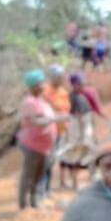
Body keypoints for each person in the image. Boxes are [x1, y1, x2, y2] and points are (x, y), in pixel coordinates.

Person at [17, 70, 66, 209]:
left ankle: (34, 201)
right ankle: (23, 204)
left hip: (43, 147)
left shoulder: (40, 101)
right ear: (33, 87)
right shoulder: (29, 102)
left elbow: (47, 117)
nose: (43, 86)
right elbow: (35, 121)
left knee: (38, 174)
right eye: (40, 84)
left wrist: (58, 116)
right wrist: (56, 119)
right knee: (29, 174)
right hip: (32, 145)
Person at [58, 73, 100, 190]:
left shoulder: (76, 96)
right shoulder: (76, 98)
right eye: (81, 84)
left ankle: (71, 182)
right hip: (79, 130)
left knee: (73, 155)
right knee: (78, 154)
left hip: (78, 129)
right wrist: (82, 135)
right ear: (75, 85)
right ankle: (76, 183)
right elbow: (79, 117)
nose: (83, 86)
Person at [39, 64, 72, 199]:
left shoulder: (63, 92)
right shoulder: (44, 92)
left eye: (62, 76)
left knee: (51, 161)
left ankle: (47, 189)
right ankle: (40, 190)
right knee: (45, 160)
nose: (61, 78)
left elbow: (66, 110)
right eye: (58, 76)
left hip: (60, 131)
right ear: (52, 77)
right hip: (47, 131)